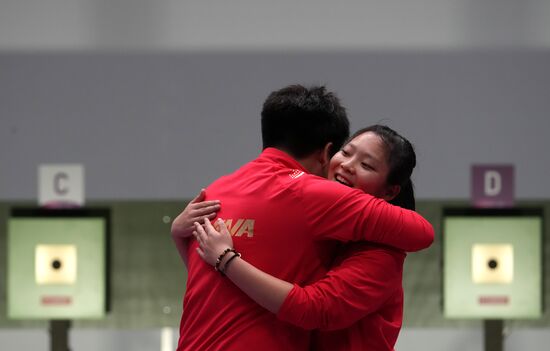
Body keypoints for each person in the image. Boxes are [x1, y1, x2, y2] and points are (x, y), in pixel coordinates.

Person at [171, 85, 434, 351]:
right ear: (327, 152)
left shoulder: (219, 190)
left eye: (366, 165)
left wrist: (226, 259)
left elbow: (315, 309)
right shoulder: (312, 207)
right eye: (346, 152)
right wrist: (182, 237)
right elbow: (216, 281)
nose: (347, 165)